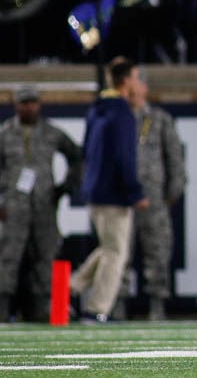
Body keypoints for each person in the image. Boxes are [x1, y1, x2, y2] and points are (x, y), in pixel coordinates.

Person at [71, 57, 150, 323]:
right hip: (114, 194)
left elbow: (86, 151)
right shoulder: (122, 113)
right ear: (126, 80)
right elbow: (123, 157)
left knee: (108, 248)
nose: (139, 85)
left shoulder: (98, 109)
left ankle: (69, 287)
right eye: (137, 78)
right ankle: (97, 309)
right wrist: (135, 192)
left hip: (96, 190)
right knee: (116, 253)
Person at [0, 85, 83, 322]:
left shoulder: (51, 132)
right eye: (24, 103)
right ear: (15, 105)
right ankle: (3, 309)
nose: (29, 107)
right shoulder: (5, 133)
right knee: (8, 257)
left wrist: (65, 187)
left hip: (44, 205)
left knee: (47, 257)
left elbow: (76, 155)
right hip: (14, 207)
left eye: (32, 102)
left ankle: (46, 310)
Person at [114, 70, 185, 322]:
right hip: (122, 200)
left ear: (145, 88)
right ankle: (118, 303)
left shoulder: (159, 119)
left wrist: (173, 190)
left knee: (158, 252)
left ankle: (157, 304)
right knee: (120, 253)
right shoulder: (117, 117)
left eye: (139, 85)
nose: (135, 90)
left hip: (154, 200)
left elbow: (174, 157)